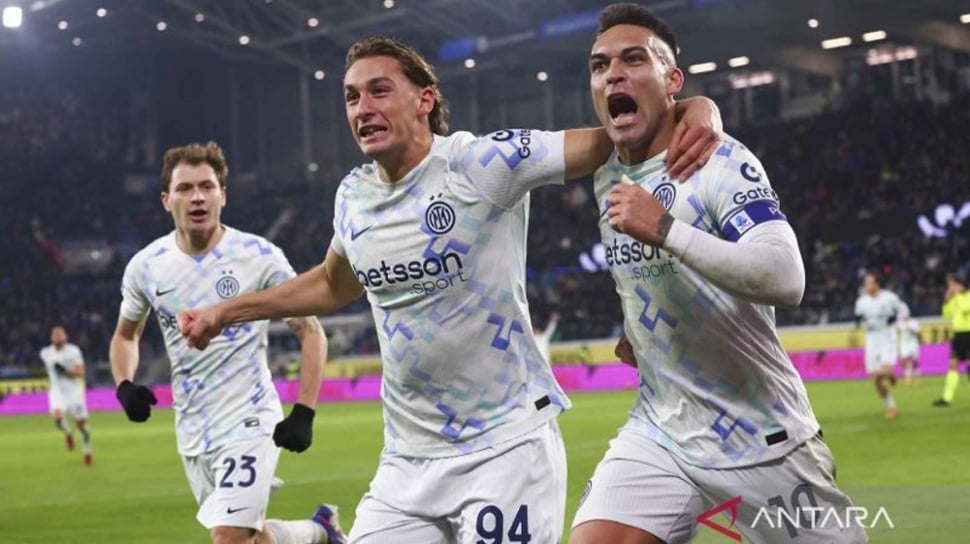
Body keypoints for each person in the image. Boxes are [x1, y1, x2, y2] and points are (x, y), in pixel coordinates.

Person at [178, 36, 723, 543]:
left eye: (379, 90)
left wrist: (696, 108)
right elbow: (331, 283)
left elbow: (616, 139)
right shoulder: (353, 196)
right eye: (351, 97)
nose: (362, 108)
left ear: (425, 100)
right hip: (407, 461)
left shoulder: (481, 162)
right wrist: (226, 312)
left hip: (505, 449)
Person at [569, 5, 865, 543]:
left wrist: (665, 228)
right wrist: (641, 327)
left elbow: (787, 277)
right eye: (600, 65)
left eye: (634, 60)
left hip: (761, 437)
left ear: (672, 81)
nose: (612, 74)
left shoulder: (719, 160)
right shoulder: (606, 169)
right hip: (661, 431)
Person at [108, 142, 345, 544]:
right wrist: (124, 385)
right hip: (193, 428)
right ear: (166, 200)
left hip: (250, 418)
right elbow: (125, 336)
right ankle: (320, 531)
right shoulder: (146, 267)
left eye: (207, 186)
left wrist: (304, 411)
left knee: (228, 537)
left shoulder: (258, 256)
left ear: (223, 195)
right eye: (185, 188)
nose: (197, 197)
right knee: (250, 537)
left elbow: (310, 331)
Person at [854, 271, 908, 419]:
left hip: (887, 336)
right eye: (865, 283)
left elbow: (904, 311)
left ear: (877, 284)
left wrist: (895, 319)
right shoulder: (861, 302)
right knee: (876, 379)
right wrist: (859, 322)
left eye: (869, 283)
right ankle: (891, 406)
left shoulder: (890, 298)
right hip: (872, 338)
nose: (866, 286)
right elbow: (858, 318)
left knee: (882, 372)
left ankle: (889, 374)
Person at [40, 324, 92, 466]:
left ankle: (87, 449)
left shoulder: (74, 351)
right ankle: (68, 432)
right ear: (51, 338)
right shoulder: (46, 353)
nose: (58, 338)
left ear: (65, 337)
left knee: (82, 426)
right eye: (55, 335)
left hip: (74, 392)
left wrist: (67, 371)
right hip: (57, 392)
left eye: (60, 335)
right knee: (57, 418)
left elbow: (81, 372)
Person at [933, 273, 970, 407]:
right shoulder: (955, 299)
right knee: (952, 365)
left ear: (962, 284)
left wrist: (957, 295)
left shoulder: (967, 296)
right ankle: (946, 398)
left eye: (954, 285)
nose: (952, 288)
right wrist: (947, 299)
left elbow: (966, 309)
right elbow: (946, 313)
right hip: (958, 336)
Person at [897, 312, 921, 386]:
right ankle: (908, 377)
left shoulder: (914, 322)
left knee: (915, 361)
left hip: (913, 343)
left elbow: (917, 332)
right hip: (904, 344)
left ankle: (916, 376)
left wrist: (909, 326)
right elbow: (897, 330)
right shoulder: (900, 323)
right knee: (904, 360)